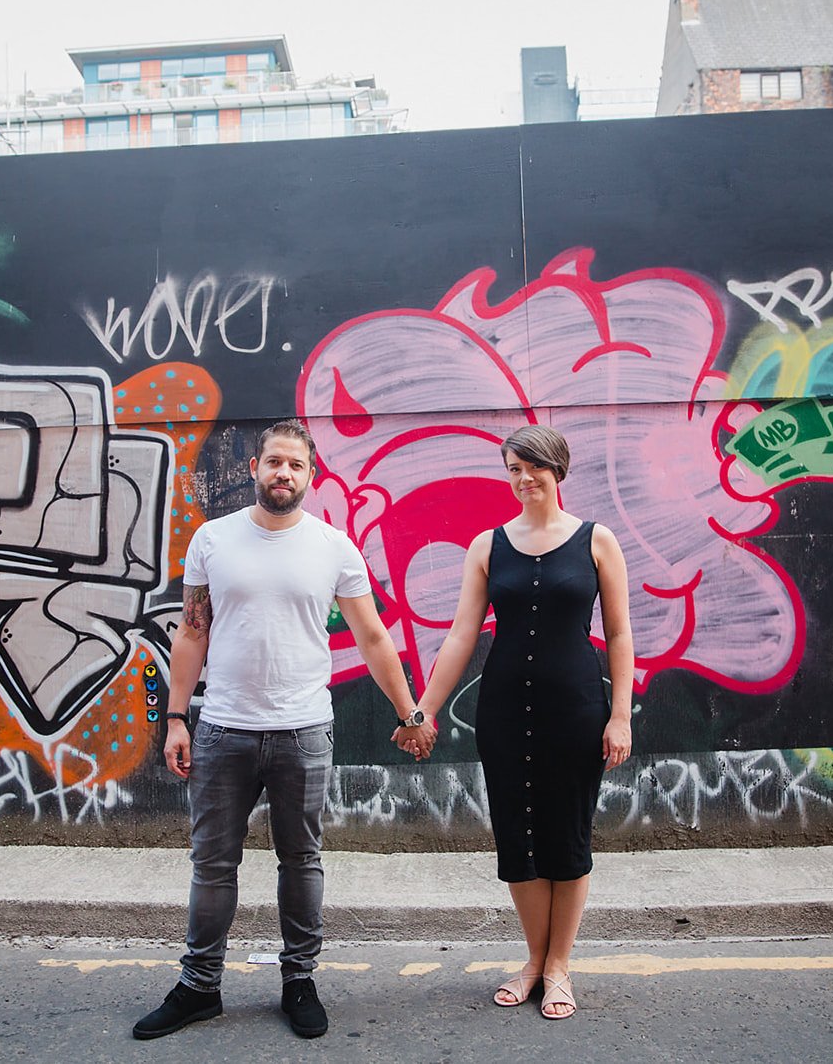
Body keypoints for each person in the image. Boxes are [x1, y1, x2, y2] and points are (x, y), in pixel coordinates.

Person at [133, 418, 422, 1041]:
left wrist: (410, 712)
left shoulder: (334, 546)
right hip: (224, 728)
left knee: (301, 862)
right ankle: (198, 987)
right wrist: (177, 718)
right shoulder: (212, 540)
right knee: (212, 863)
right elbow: (192, 631)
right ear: (254, 469)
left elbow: (372, 636)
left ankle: (299, 981)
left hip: (303, 731)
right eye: (273, 462)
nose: (282, 473)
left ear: (310, 476)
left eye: (295, 465)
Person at [395, 424, 633, 1020]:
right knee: (518, 836)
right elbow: (459, 636)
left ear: (558, 470)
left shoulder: (597, 541)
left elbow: (622, 634)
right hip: (503, 713)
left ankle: (559, 967)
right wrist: (422, 708)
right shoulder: (487, 545)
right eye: (514, 470)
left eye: (535, 469)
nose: (525, 480)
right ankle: (533, 960)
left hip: (578, 710)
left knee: (568, 833)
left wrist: (621, 715)